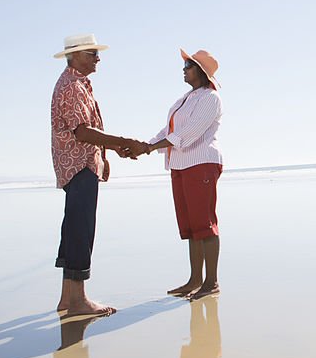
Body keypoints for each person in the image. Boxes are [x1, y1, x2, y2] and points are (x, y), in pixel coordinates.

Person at [51, 33, 148, 316]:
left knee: (73, 228)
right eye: (92, 54)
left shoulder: (76, 83)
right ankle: (78, 300)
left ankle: (68, 298)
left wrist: (110, 150)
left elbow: (84, 130)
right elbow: (82, 131)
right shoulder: (72, 85)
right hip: (79, 164)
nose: (98, 58)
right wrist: (122, 141)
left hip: (79, 163)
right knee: (81, 229)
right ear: (76, 56)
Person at [132, 49, 224, 300]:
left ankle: (211, 281)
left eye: (188, 66)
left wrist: (149, 148)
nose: (183, 70)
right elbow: (169, 130)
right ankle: (194, 280)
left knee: (205, 224)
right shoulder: (185, 98)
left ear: (201, 72)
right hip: (180, 165)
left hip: (201, 163)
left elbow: (189, 133)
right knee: (190, 226)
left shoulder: (210, 98)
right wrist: (144, 146)